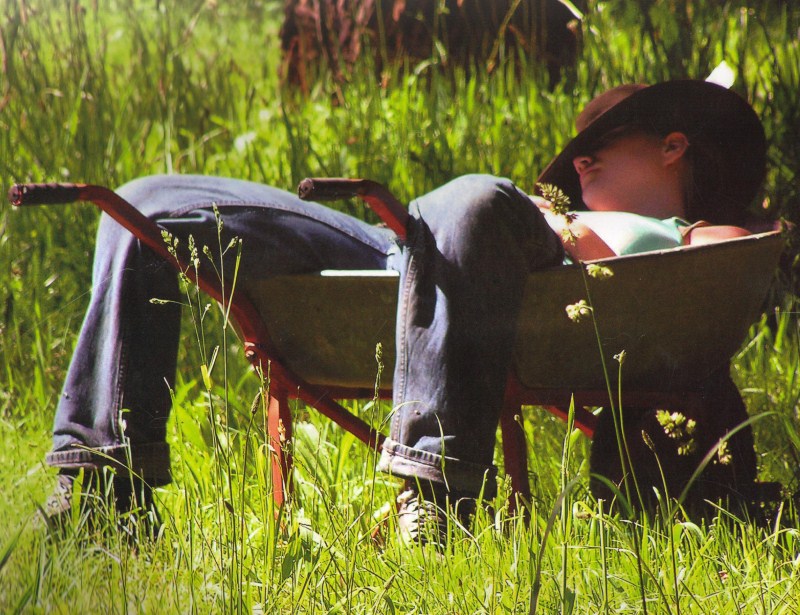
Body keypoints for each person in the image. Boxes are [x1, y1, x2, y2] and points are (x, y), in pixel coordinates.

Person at [37, 80, 768, 542]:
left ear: (674, 147)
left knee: (476, 194)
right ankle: (104, 487)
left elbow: (709, 278)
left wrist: (557, 231)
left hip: (504, 264)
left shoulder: (696, 238)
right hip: (397, 252)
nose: (578, 164)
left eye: (600, 146)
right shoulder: (529, 209)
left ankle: (437, 491)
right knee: (147, 202)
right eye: (576, 157)